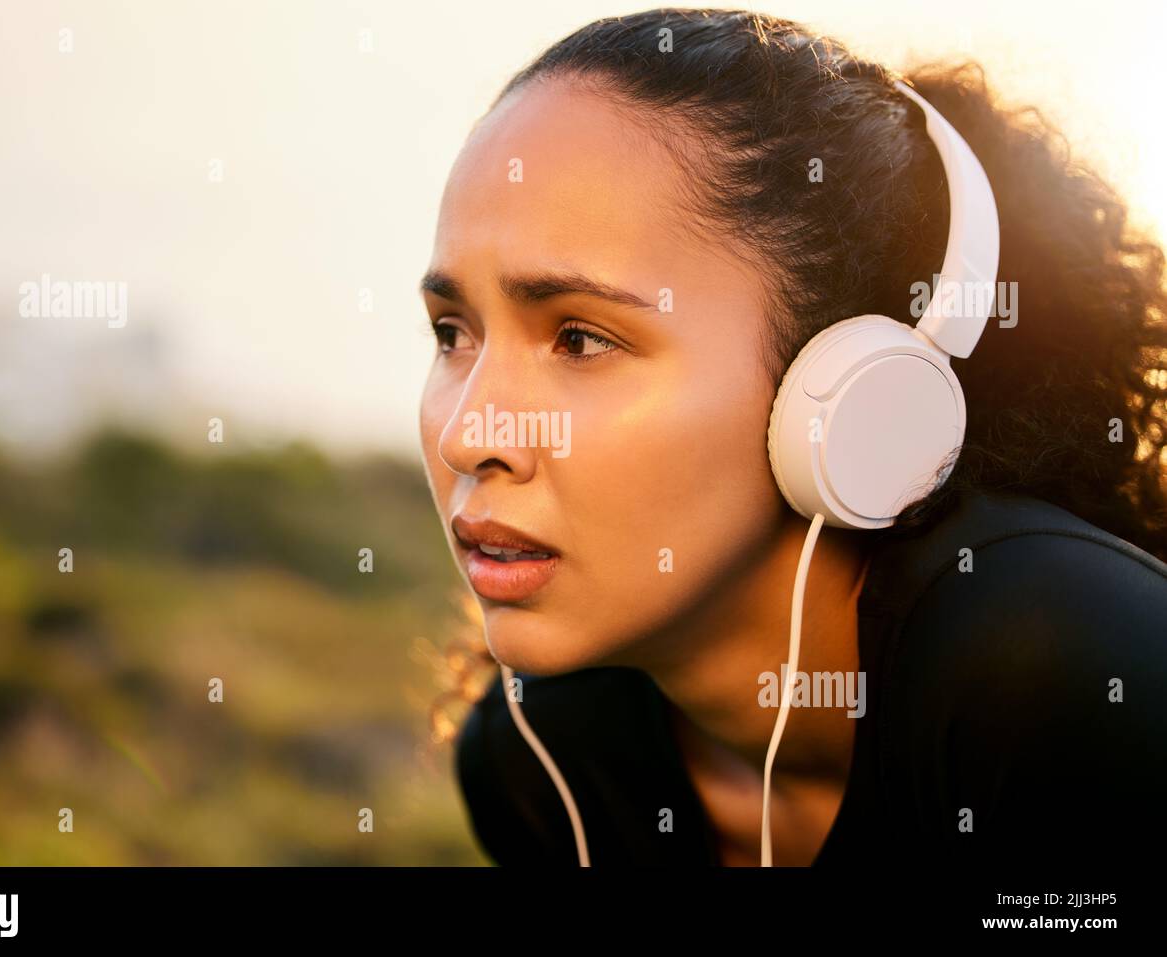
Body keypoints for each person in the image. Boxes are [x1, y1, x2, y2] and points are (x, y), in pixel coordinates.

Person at [415, 8, 1167, 867]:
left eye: (581, 338)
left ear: (842, 385)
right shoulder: (543, 762)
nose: (471, 433)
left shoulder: (1062, 679)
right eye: (452, 332)